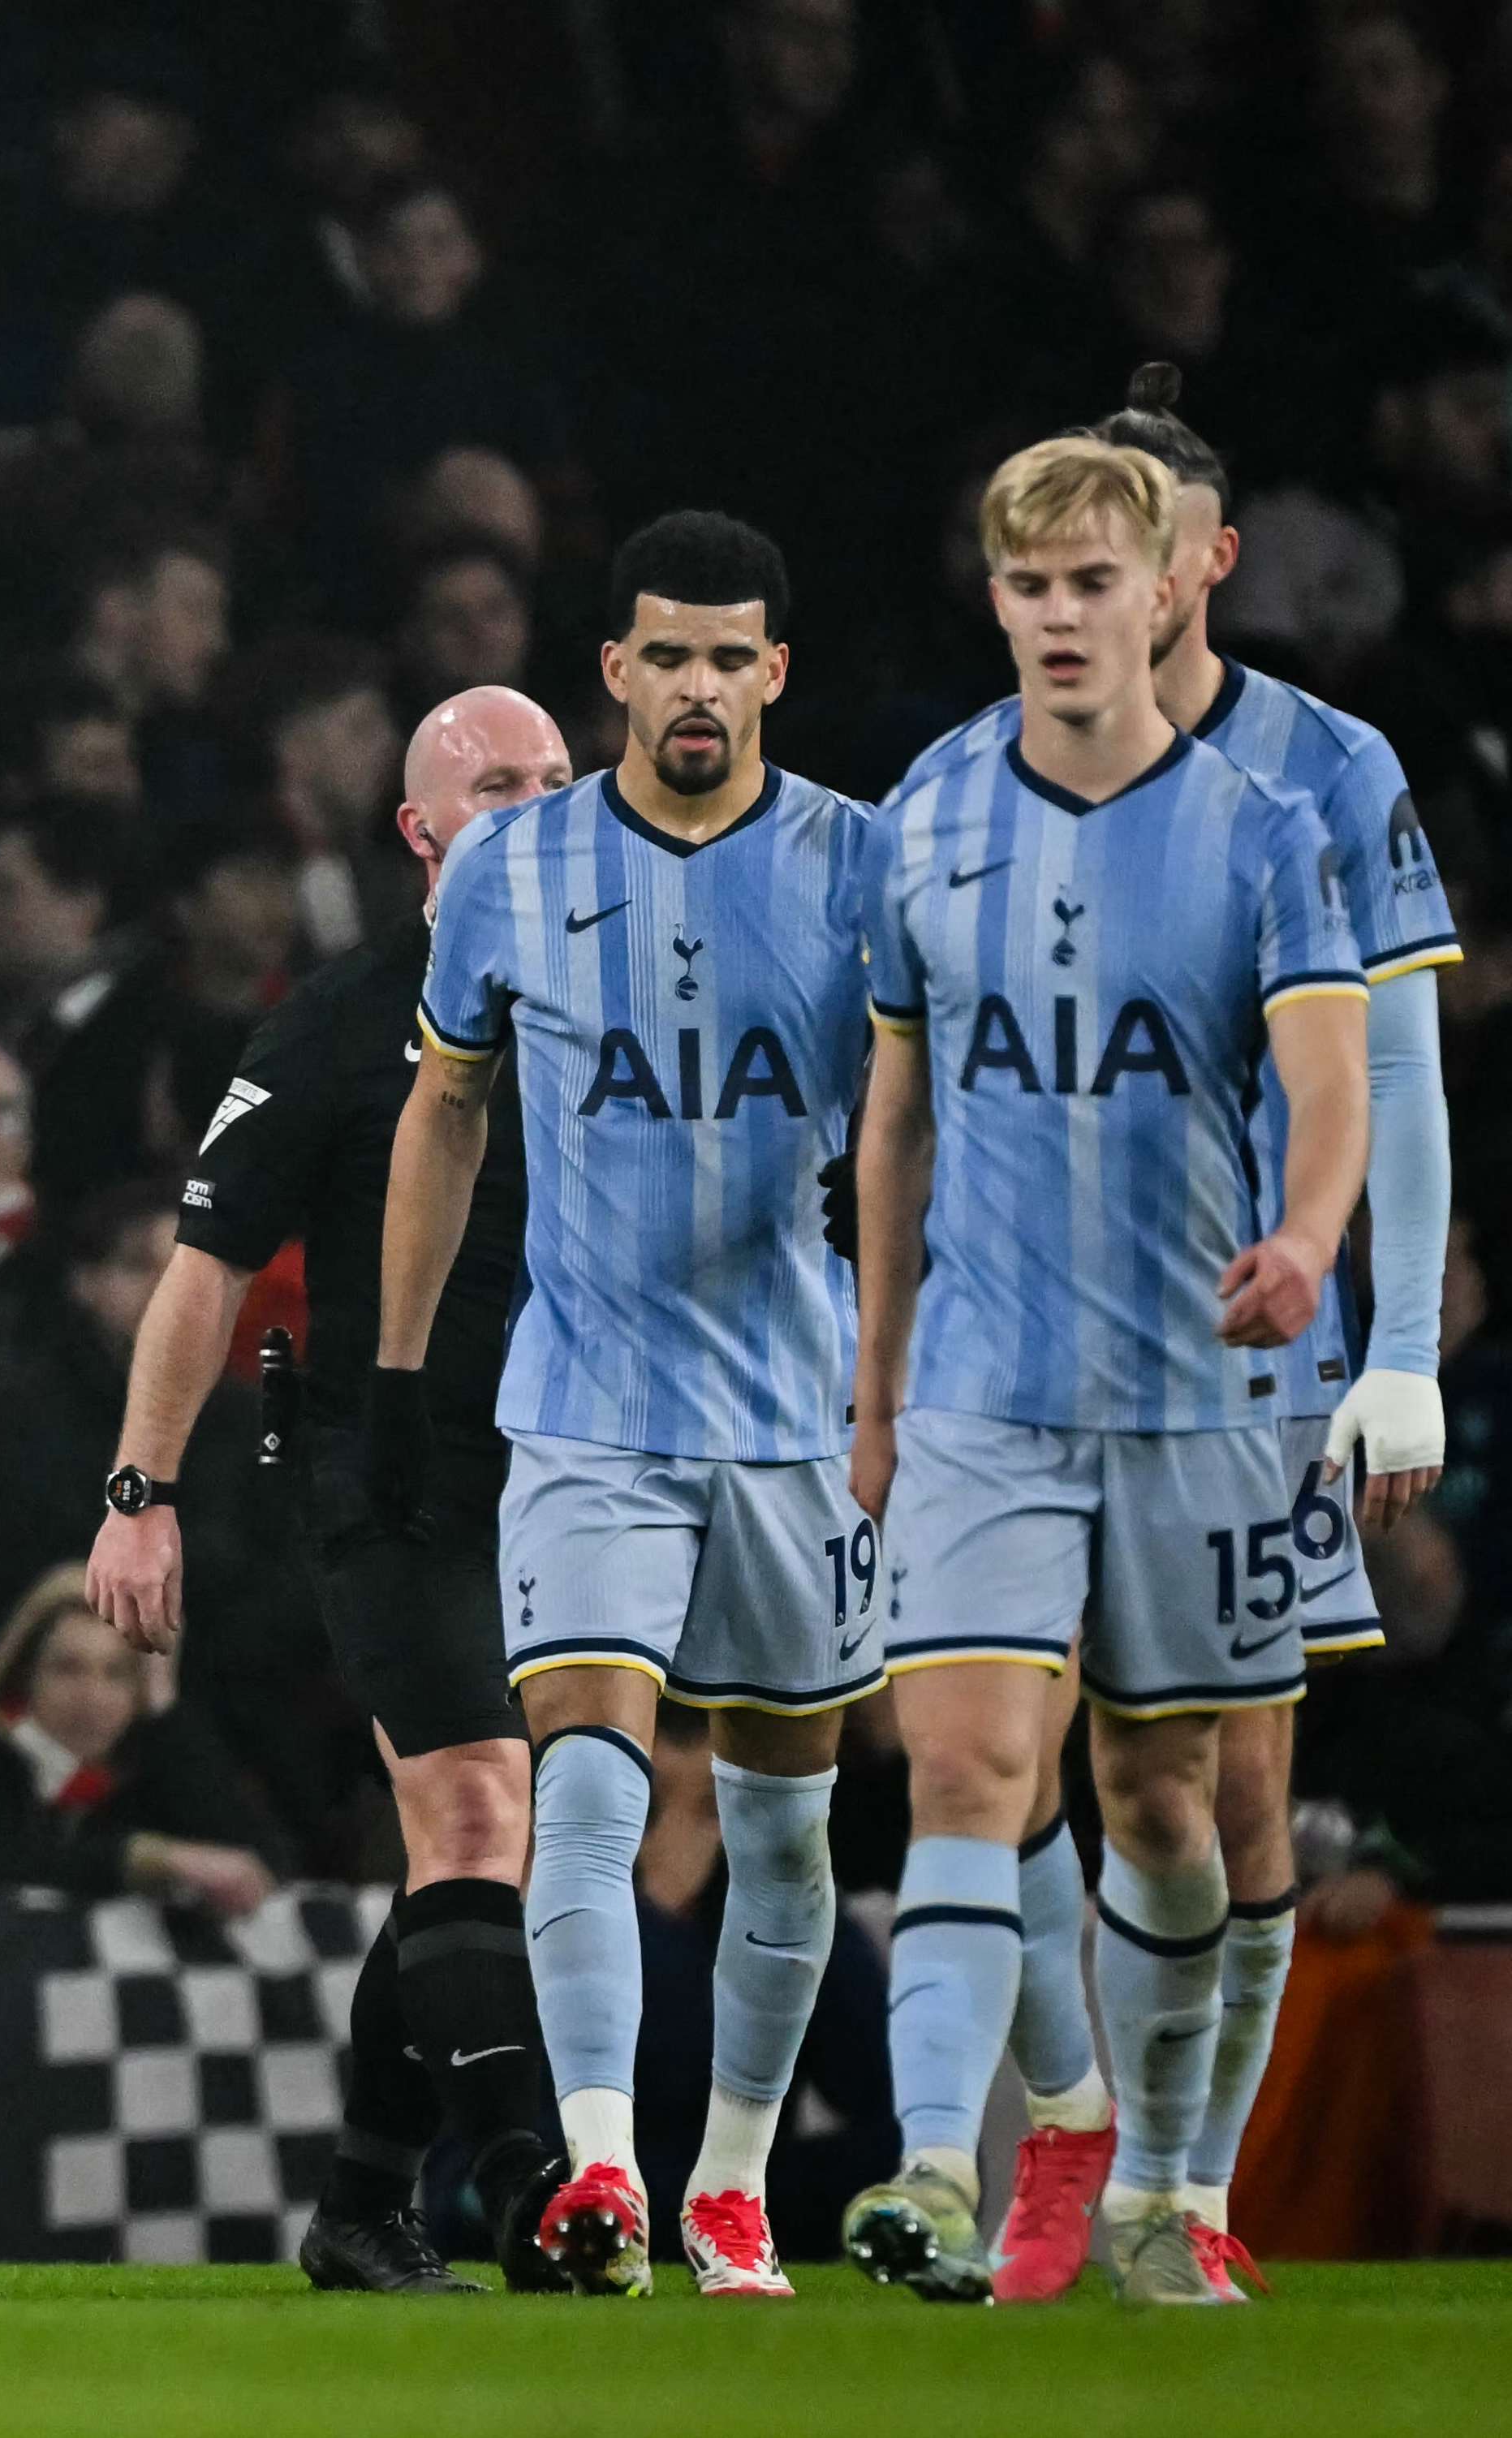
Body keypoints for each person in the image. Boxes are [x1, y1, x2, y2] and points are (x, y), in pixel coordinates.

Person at [838, 435, 1370, 2309]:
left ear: (1167, 592)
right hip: (987, 1390)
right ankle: (925, 2166)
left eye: (1093, 583)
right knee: (969, 1766)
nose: (1061, 616)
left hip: (1197, 1402)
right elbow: (892, 1124)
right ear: (996, 600)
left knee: (1162, 1797)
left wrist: (1306, 1237)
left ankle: (1155, 2184)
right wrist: (876, 1391)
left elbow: (1330, 1072)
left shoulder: (1262, 833)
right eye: (1029, 585)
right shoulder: (924, 815)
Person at [965, 370, 1464, 2306]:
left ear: (1206, 562)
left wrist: (1393, 1337)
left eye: (1146, 540)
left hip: (1246, 1365)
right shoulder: (977, 776)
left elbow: (1396, 1074)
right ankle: (1071, 2131)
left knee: (1223, 1791)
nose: (1112, 578)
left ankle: (1186, 2190)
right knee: (997, 1766)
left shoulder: (1326, 774)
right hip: (1019, 1363)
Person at [381, 513, 881, 2301]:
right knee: (578, 1790)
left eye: (727, 656)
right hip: (587, 1404)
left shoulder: (854, 863)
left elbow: (925, 1110)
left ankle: (732, 2178)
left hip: (792, 1416)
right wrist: (396, 1363)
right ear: (612, 671)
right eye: (663, 654)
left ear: (773, 674)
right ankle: (598, 2167)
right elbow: (442, 1112)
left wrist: (894, 1299)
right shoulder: (507, 875)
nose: (694, 686)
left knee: (781, 1823)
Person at [84, 683, 572, 2296]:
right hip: (391, 1466)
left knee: (481, 1856)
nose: (534, 806)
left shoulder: (627, 1011)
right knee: (477, 1810)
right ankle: (538, 2189)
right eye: (493, 786)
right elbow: (205, 1262)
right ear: (417, 832)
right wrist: (137, 1487)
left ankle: (363, 2205)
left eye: (557, 780)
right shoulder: (343, 1019)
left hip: (581, 1465)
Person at [0, 1568, 289, 1909]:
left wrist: (163, 1708)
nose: (92, 1697)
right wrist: (136, 1860)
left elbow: (261, 1865)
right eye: (67, 1669)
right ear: (24, 1674)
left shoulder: (149, 1770)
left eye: (117, 1675)